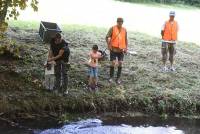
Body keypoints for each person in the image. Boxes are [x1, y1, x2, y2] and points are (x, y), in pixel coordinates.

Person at [105, 17, 128, 84]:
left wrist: (126, 48)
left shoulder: (124, 30)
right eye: (119, 22)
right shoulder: (112, 28)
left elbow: (126, 39)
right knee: (113, 62)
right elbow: (107, 37)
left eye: (121, 22)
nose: (120, 23)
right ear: (117, 22)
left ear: (122, 23)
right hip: (113, 49)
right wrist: (109, 45)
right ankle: (111, 77)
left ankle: (118, 78)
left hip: (121, 50)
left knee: (120, 63)